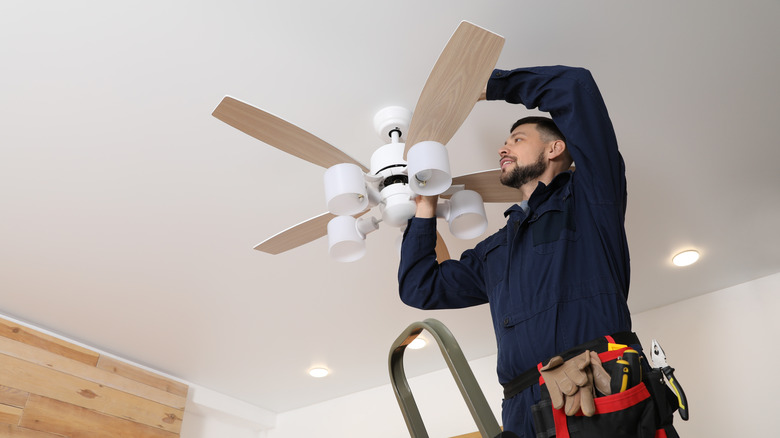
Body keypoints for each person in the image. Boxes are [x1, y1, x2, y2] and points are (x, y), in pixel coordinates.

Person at [397, 66, 636, 436]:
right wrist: (424, 206)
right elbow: (419, 286)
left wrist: (485, 85)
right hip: (522, 413)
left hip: (597, 390)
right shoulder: (496, 251)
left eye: (517, 139)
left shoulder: (590, 201)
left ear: (556, 148)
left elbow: (575, 87)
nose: (502, 148)